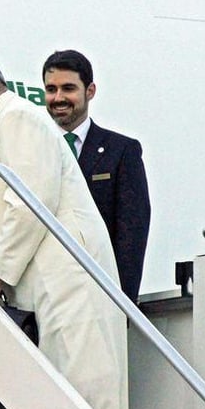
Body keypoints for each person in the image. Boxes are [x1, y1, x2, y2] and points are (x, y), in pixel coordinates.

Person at [0, 57, 128, 409]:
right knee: (46, 405)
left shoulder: (17, 118)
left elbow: (31, 200)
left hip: (69, 287)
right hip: (45, 292)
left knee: (79, 401)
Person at [43, 49, 151, 304]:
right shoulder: (30, 150)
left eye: (68, 88)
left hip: (97, 297)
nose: (58, 98)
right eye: (51, 89)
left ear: (89, 91)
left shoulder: (122, 151)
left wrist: (122, 303)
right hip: (43, 298)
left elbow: (131, 234)